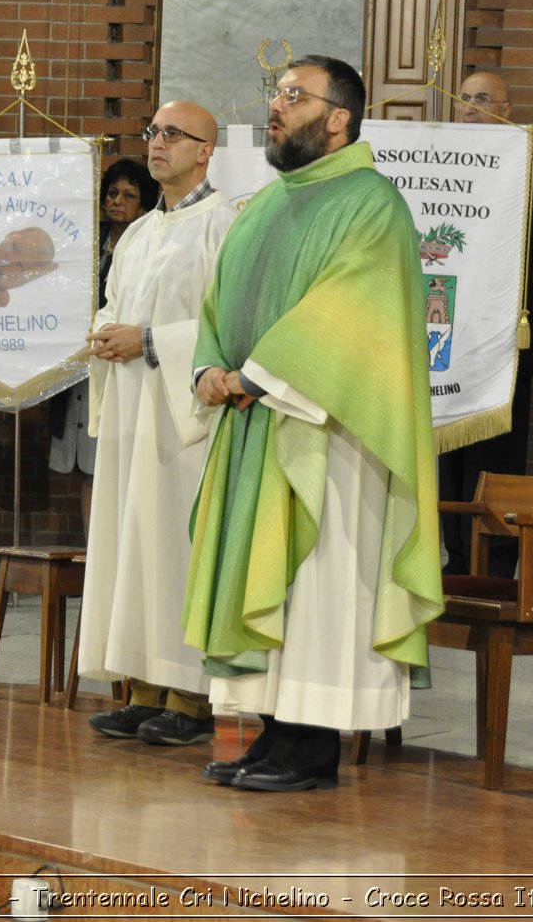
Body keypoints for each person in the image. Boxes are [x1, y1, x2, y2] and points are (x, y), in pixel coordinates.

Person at [184, 57, 443, 791]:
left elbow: (346, 315)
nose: (276, 106)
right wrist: (208, 365)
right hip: (251, 420)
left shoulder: (371, 204)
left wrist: (252, 377)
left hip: (325, 432)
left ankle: (313, 744)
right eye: (275, 93)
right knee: (267, 580)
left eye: (294, 96)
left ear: (339, 118)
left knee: (320, 583)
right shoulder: (266, 205)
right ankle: (273, 731)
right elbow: (216, 302)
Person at [78, 101, 239, 747]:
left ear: (206, 150)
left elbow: (228, 327)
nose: (158, 142)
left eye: (174, 133)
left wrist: (147, 339)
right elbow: (112, 305)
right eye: (153, 132)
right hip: (130, 411)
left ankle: (190, 693)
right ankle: (141, 686)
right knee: (131, 546)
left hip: (183, 420)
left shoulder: (223, 224)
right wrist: (104, 334)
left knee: (175, 548)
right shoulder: (139, 232)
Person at [437, 70, 533, 577]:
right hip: (444, 325)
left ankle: (495, 564)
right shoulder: (436, 166)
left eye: (483, 98)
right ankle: (454, 557)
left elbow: (524, 245)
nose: (470, 105)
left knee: (498, 456)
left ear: (507, 109)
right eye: (464, 97)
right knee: (447, 454)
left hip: (501, 332)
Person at [47, 159, 161, 485]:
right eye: (112, 194)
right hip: (78, 361)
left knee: (110, 469)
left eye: (128, 196)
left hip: (120, 361)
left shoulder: (149, 245)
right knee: (84, 467)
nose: (116, 202)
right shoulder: (87, 242)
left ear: (144, 205)